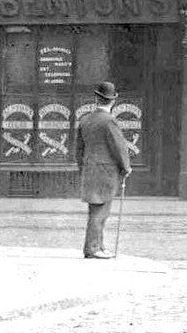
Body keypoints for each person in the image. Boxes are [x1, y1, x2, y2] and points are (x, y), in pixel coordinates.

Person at [76, 81, 131, 259]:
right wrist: (126, 167)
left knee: (96, 210)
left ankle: (97, 245)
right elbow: (119, 147)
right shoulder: (109, 121)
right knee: (101, 212)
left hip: (90, 170)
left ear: (96, 99)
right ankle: (93, 249)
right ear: (113, 101)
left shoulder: (85, 120)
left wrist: (83, 168)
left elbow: (79, 150)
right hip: (106, 172)